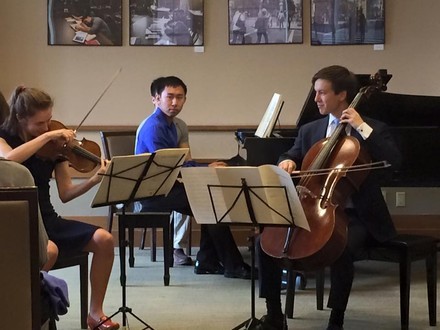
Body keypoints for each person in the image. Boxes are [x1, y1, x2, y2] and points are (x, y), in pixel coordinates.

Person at [255, 65, 402, 330]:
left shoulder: (372, 129)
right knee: (265, 244)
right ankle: (274, 315)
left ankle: (336, 320)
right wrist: (287, 161)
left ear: (342, 95)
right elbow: (291, 153)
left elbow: (394, 160)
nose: (316, 99)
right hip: (312, 207)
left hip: (357, 215)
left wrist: (360, 126)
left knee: (340, 246)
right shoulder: (311, 130)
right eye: (315, 93)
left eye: (322, 93)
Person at [0, 86, 120, 330]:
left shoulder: (55, 148)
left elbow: (66, 194)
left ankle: (95, 313)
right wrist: (45, 138)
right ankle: (28, 306)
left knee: (105, 240)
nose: (47, 128)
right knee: (50, 250)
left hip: (48, 217)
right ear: (20, 119)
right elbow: (9, 161)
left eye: (48, 121)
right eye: (39, 124)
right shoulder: (4, 138)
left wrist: (94, 179)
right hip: (21, 219)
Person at [135, 75, 253, 279]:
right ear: (155, 98)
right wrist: (206, 167)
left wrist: (205, 167)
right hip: (152, 192)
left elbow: (182, 162)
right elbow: (169, 167)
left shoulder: (174, 124)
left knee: (209, 201)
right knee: (210, 204)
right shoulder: (154, 127)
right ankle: (232, 265)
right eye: (169, 97)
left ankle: (208, 261)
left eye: (179, 97)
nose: (174, 102)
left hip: (167, 187)